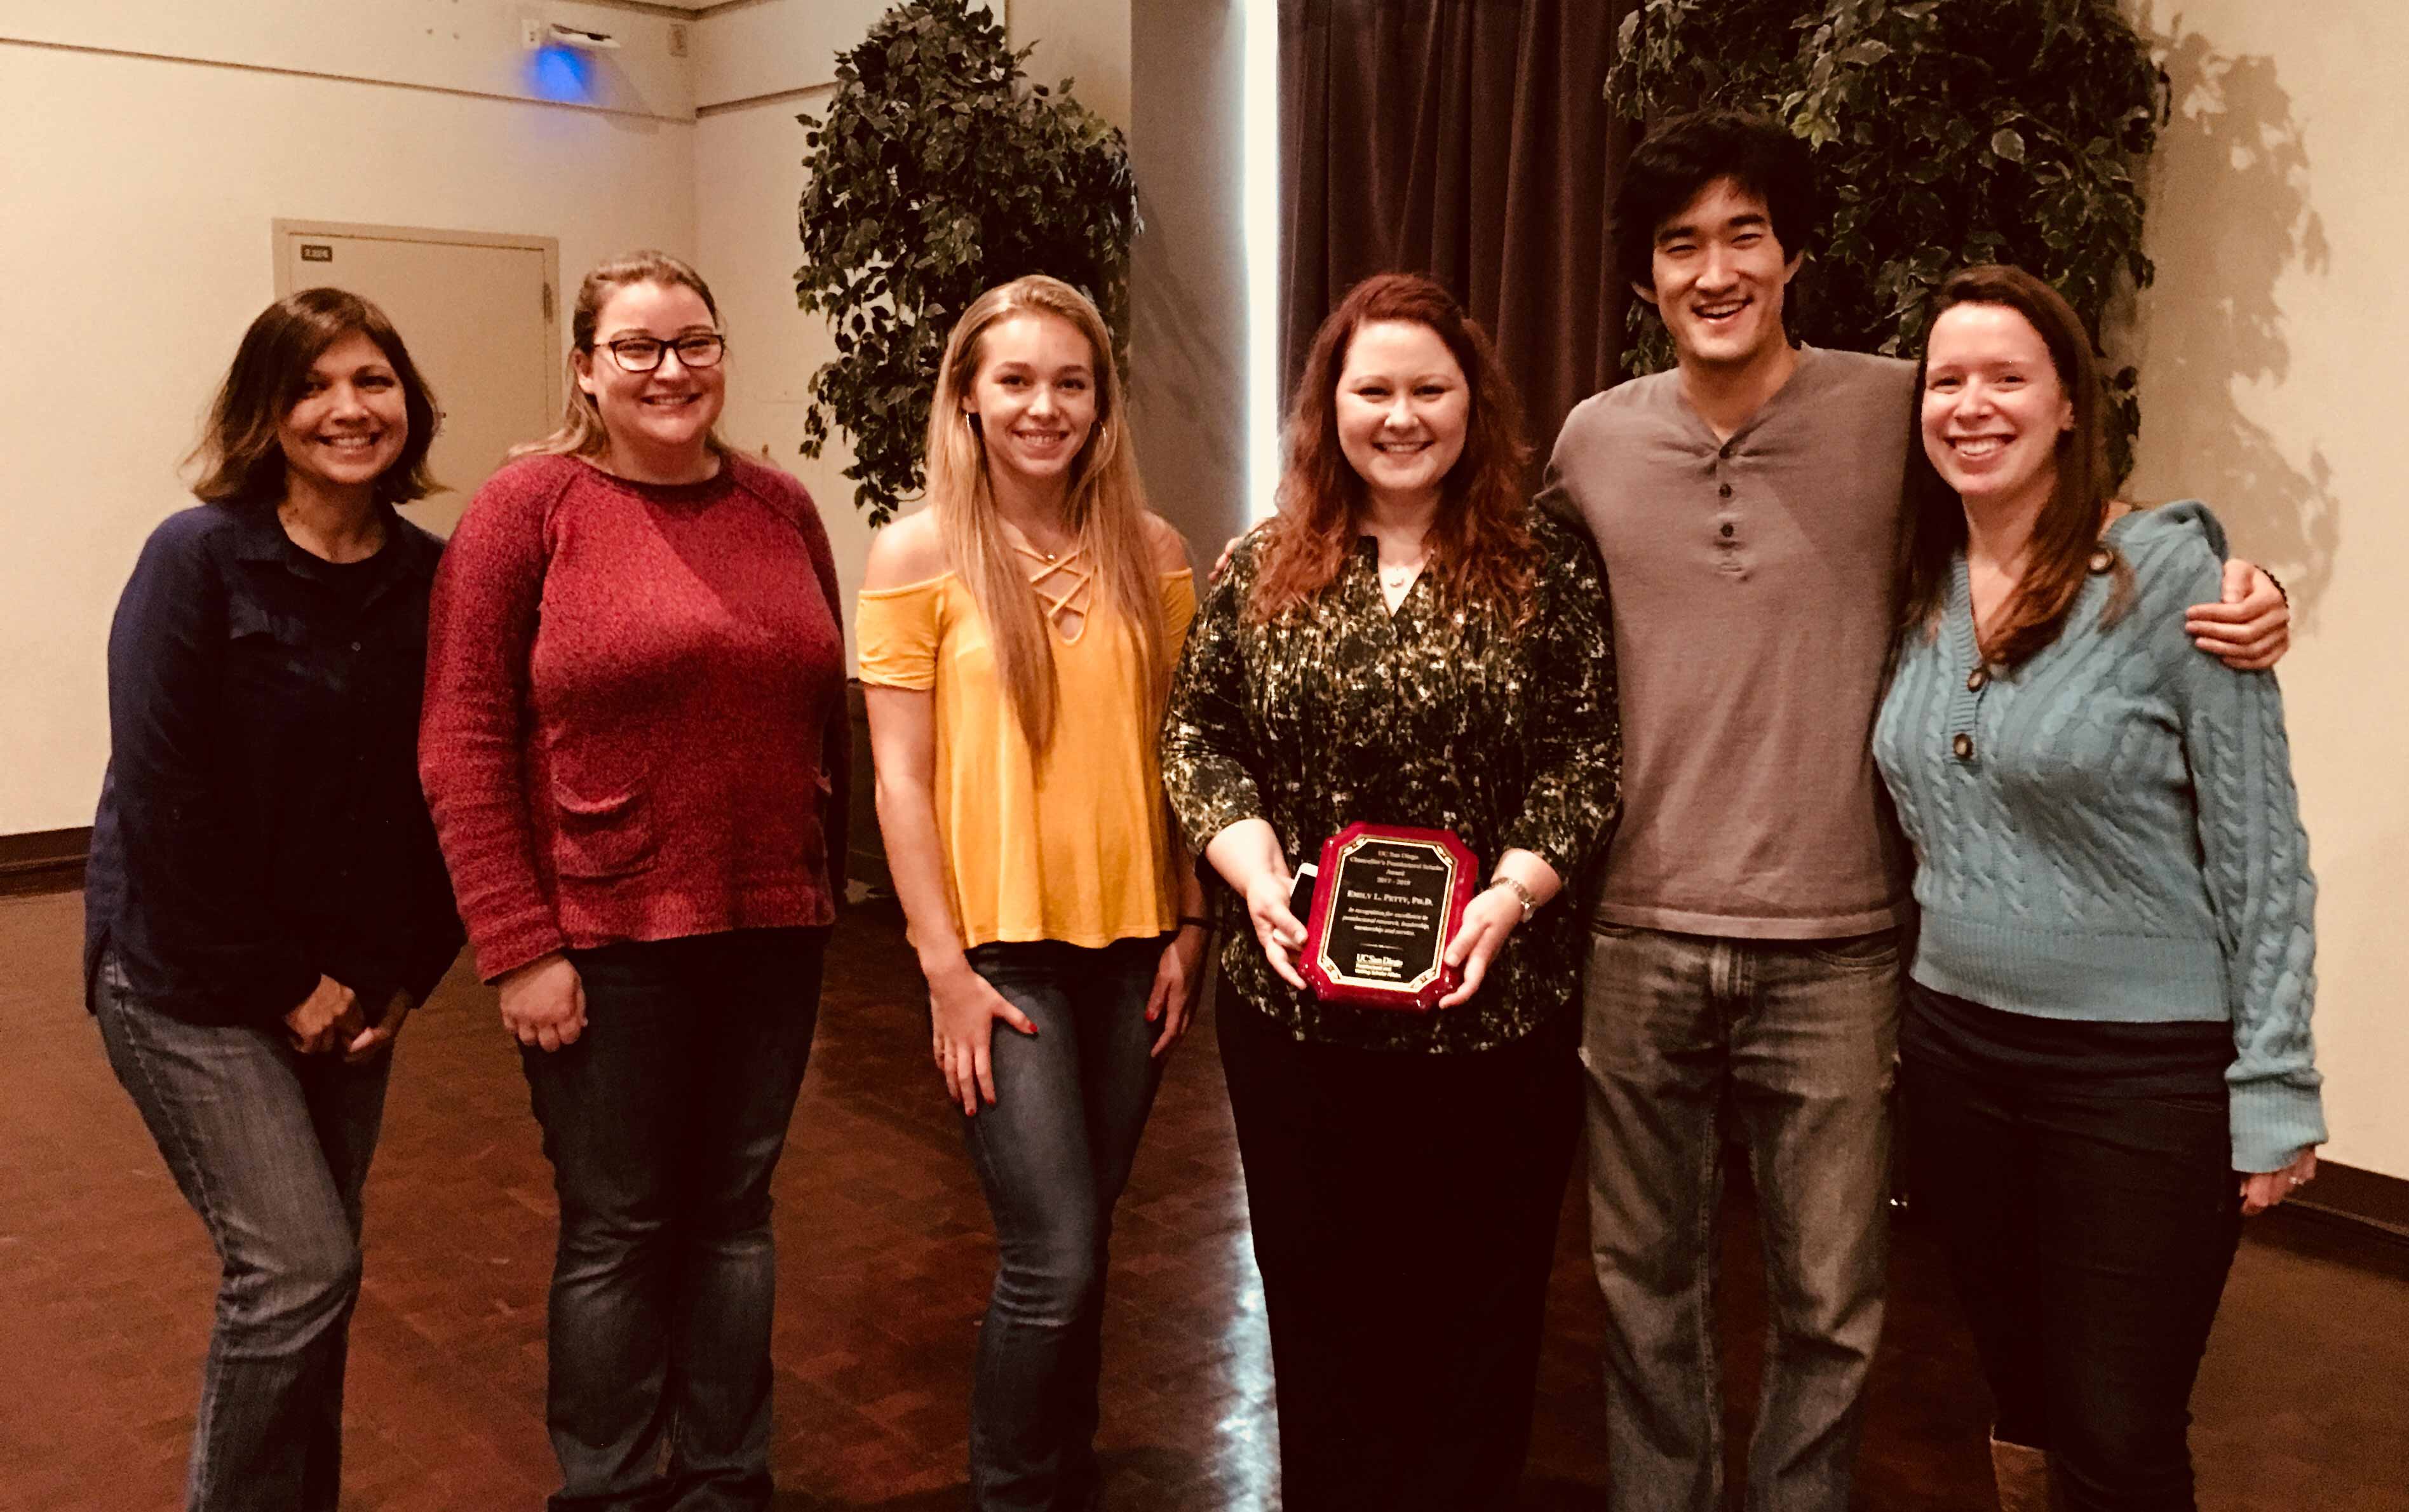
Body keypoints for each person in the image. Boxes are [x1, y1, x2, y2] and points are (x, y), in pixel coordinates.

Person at [1537, 109, 2295, 1512]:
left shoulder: (1896, 406)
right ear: (1645, 278)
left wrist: (2227, 573)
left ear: (1794, 252)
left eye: (1746, 233)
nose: (1717, 269)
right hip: (1635, 932)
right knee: (1644, 1297)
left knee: (1835, 1311)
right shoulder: (1592, 442)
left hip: (1841, 946)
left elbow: (2055, 496)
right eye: (1681, 242)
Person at [1162, 271, 1621, 1511]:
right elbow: (1199, 735)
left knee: (1477, 1301)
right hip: (1299, 1014)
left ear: (1475, 399)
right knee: (1321, 1296)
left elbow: (1587, 749)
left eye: (1430, 387)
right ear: (1331, 403)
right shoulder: (1263, 564)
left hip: (1496, 1009)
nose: (1402, 414)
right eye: (1374, 388)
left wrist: (1513, 893)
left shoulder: (1544, 565)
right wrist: (1249, 859)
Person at [1875, 264, 2321, 1512]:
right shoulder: (1914, 584)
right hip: (1958, 1054)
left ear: (2070, 402)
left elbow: (2263, 850)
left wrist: (2277, 1076)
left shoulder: (2172, 578)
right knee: (2016, 1393)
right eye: (1947, 378)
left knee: (2121, 1426)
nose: (1973, 403)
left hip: (2143, 1077)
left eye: (2007, 376)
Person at [418, 250, 849, 1512]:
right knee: (619, 1225)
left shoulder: (781, 507)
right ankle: (605, 1485)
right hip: (599, 934)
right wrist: (516, 940)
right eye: (640, 348)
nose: (672, 370)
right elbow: (461, 734)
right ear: (588, 367)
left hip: (771, 921)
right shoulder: (529, 508)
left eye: (695, 343)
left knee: (734, 1212)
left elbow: (824, 714)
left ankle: (725, 1473)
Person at [83, 288, 464, 1511]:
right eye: (313, 386)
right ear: (266, 411)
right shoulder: (196, 561)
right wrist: (282, 987)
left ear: (408, 401)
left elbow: (451, 788)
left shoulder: (431, 578)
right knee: (298, 1269)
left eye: (373, 382)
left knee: (314, 1287)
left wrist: (402, 975)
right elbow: (163, 801)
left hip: (352, 989)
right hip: (188, 981)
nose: (348, 410)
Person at [856, 274, 1206, 1511]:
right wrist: (942, 968)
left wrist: (1192, 920)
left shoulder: (1153, 551)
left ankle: (1068, 1472)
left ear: (1101, 400)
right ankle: (1012, 1488)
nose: (1043, 405)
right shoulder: (916, 552)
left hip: (1134, 951)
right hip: (999, 956)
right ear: (967, 395)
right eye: (1015, 379)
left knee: (1089, 1246)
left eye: (1071, 380)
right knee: (1050, 1256)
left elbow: (1179, 753)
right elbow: (898, 781)